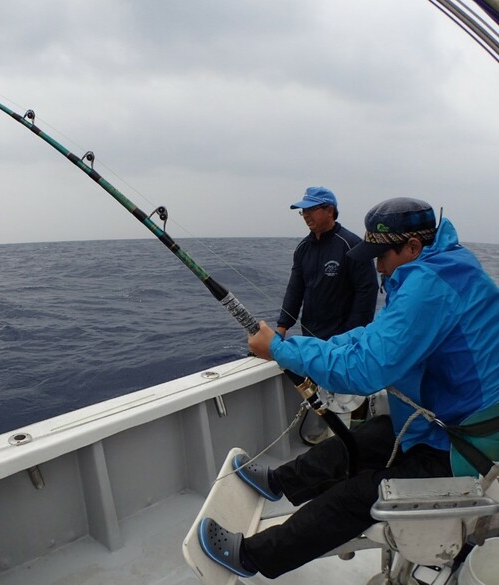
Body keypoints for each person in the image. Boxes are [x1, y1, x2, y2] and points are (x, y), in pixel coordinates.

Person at [199, 197, 499, 579]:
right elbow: (372, 338)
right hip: (450, 424)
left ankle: (253, 557)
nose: (377, 265)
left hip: (470, 450)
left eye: (381, 255)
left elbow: (366, 369)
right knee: (364, 438)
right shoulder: (444, 267)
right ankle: (279, 482)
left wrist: (277, 350)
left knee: (359, 495)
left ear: (412, 247)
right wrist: (289, 348)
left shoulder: (429, 286)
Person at [279, 186, 379, 441]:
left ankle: (355, 436)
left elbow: (367, 292)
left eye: (311, 209)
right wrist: (282, 326)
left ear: (329, 210)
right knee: (321, 390)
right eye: (303, 211)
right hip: (314, 336)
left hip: (347, 337)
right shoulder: (303, 249)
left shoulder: (351, 244)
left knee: (350, 391)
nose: (305, 215)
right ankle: (331, 433)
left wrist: (353, 333)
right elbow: (295, 289)